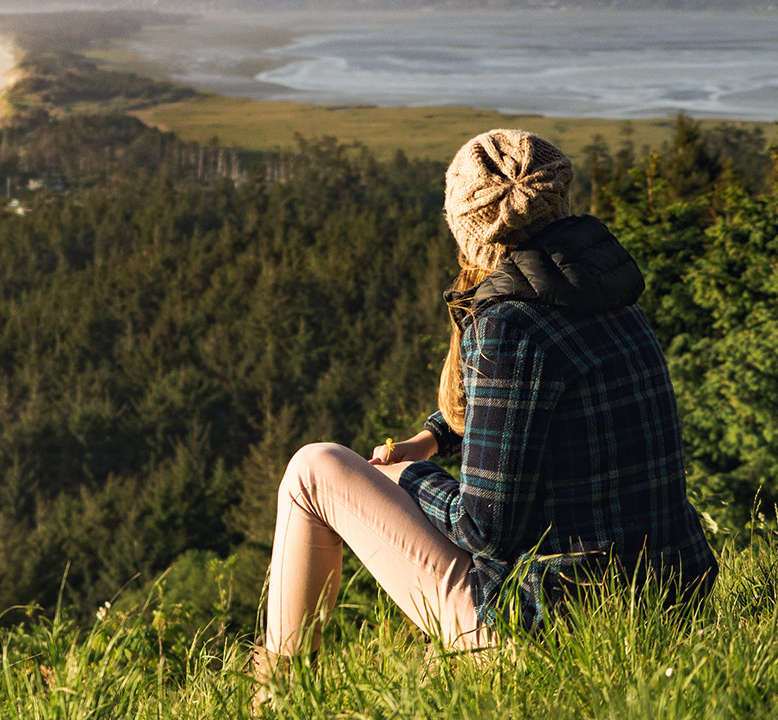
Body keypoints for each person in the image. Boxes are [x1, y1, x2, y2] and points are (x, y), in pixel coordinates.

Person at [256, 129, 720, 677]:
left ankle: (279, 689)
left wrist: (409, 474)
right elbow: (531, 408)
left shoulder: (510, 327)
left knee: (315, 468)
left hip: (560, 626)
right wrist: (432, 437)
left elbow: (485, 531)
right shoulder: (608, 296)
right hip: (671, 601)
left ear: (468, 226)